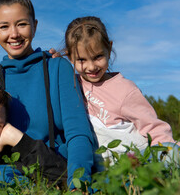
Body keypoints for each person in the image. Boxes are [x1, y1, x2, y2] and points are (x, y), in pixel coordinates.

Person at [0, 0, 97, 187]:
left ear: (35, 25)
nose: (14, 34)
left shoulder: (58, 68)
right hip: (13, 174)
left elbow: (78, 132)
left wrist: (78, 183)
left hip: (60, 169)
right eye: (4, 26)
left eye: (22, 24)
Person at [63, 16, 179, 162]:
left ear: (109, 49)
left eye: (98, 56)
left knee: (172, 154)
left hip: (135, 156)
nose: (91, 67)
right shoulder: (71, 83)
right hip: (102, 163)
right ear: (69, 56)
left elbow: (153, 127)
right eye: (81, 60)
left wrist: (168, 151)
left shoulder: (125, 90)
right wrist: (52, 58)